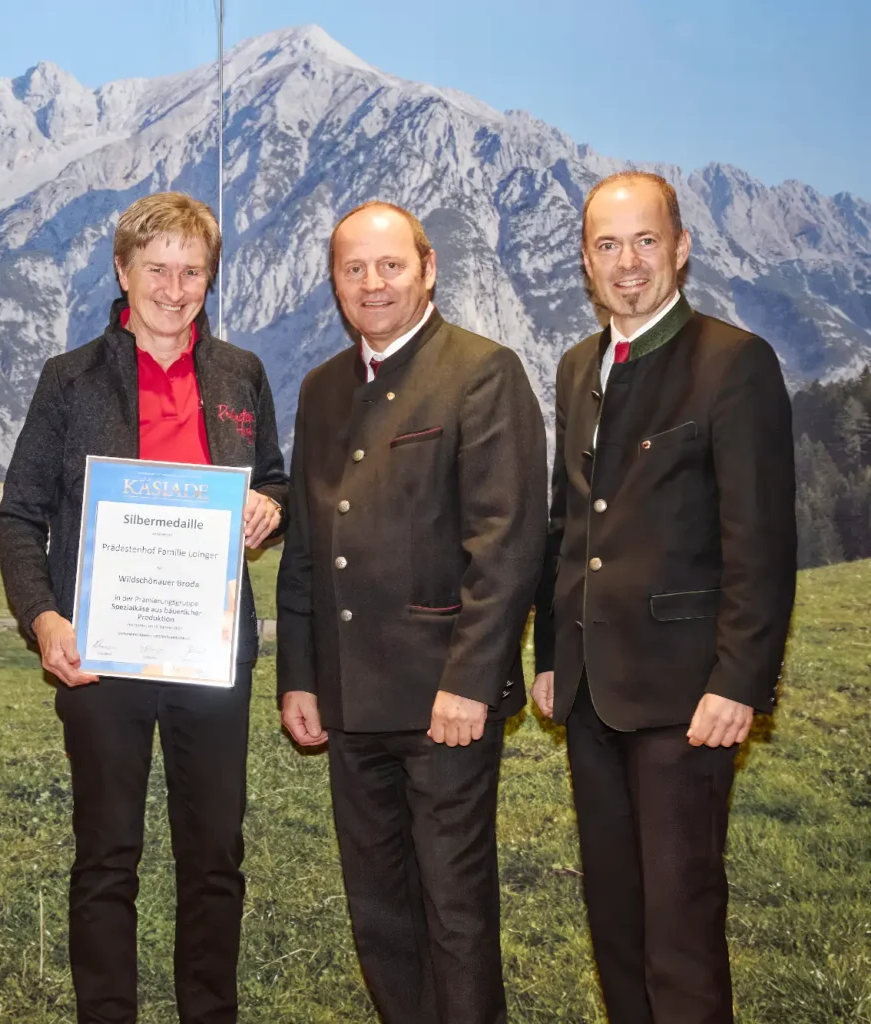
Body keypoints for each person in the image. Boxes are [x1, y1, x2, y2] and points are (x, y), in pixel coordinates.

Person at [0, 191, 287, 1024]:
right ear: (122, 272)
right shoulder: (70, 379)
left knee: (214, 859)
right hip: (101, 655)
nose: (174, 285)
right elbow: (19, 513)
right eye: (156, 267)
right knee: (107, 859)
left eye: (192, 270)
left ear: (209, 279)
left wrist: (271, 504)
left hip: (209, 651)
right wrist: (44, 618)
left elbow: (271, 476)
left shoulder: (241, 374)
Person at [531, 171, 796, 1023]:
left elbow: (760, 542)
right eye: (608, 246)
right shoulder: (579, 367)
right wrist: (547, 657)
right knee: (614, 920)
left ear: (681, 248)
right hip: (589, 693)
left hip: (688, 697)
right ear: (585, 262)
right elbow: (567, 523)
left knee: (679, 927)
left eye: (647, 241)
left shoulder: (734, 362)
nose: (629, 263)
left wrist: (740, 681)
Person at [276, 201, 545, 1024]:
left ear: (428, 268)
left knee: (455, 912)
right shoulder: (322, 388)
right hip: (350, 702)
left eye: (390, 265)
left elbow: (507, 543)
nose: (373, 283)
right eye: (353, 269)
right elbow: (310, 550)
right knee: (380, 910)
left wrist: (472, 680)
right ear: (334, 283)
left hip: (444, 706)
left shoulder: (482, 370)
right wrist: (299, 676)